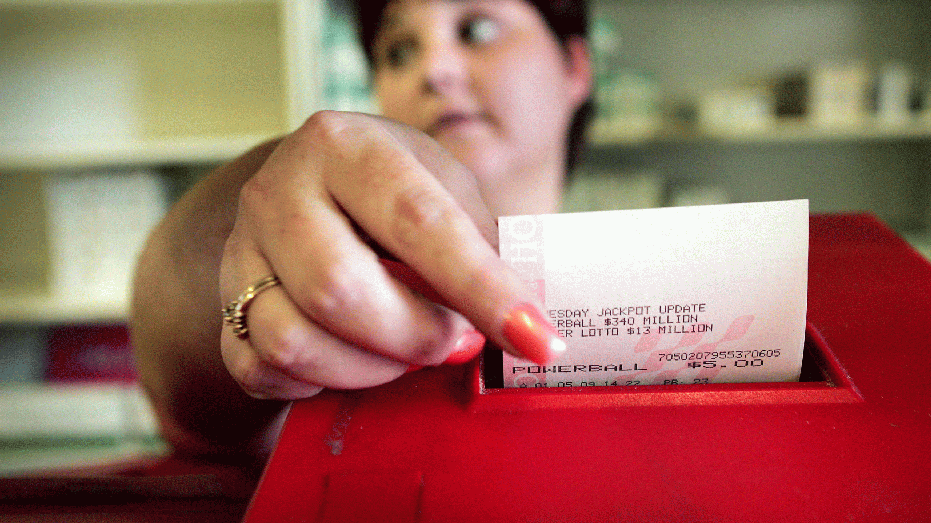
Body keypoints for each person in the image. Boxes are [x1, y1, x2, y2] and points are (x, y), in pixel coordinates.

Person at [130, 0, 593, 474]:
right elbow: (192, 409)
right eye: (398, 52)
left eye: (476, 30)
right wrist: (263, 191)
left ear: (575, 67)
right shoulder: (333, 281)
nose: (433, 71)